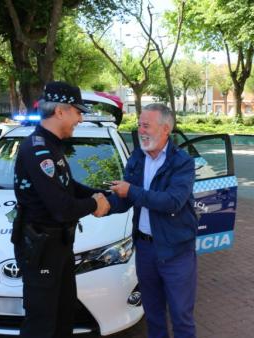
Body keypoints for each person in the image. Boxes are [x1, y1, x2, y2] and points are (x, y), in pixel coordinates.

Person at [11, 81, 110, 338]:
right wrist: (94, 204)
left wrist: (103, 195)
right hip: (43, 248)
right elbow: (62, 209)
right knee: (42, 324)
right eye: (78, 112)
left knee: (64, 315)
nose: (80, 118)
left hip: (59, 247)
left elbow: (68, 185)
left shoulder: (52, 144)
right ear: (61, 111)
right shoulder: (39, 149)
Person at [107, 103, 198, 338]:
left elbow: (172, 201)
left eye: (146, 125)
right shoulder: (137, 157)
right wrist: (101, 205)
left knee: (181, 316)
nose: (141, 130)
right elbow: (125, 198)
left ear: (165, 128)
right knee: (153, 315)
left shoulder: (182, 162)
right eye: (139, 125)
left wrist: (131, 192)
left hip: (176, 251)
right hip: (145, 249)